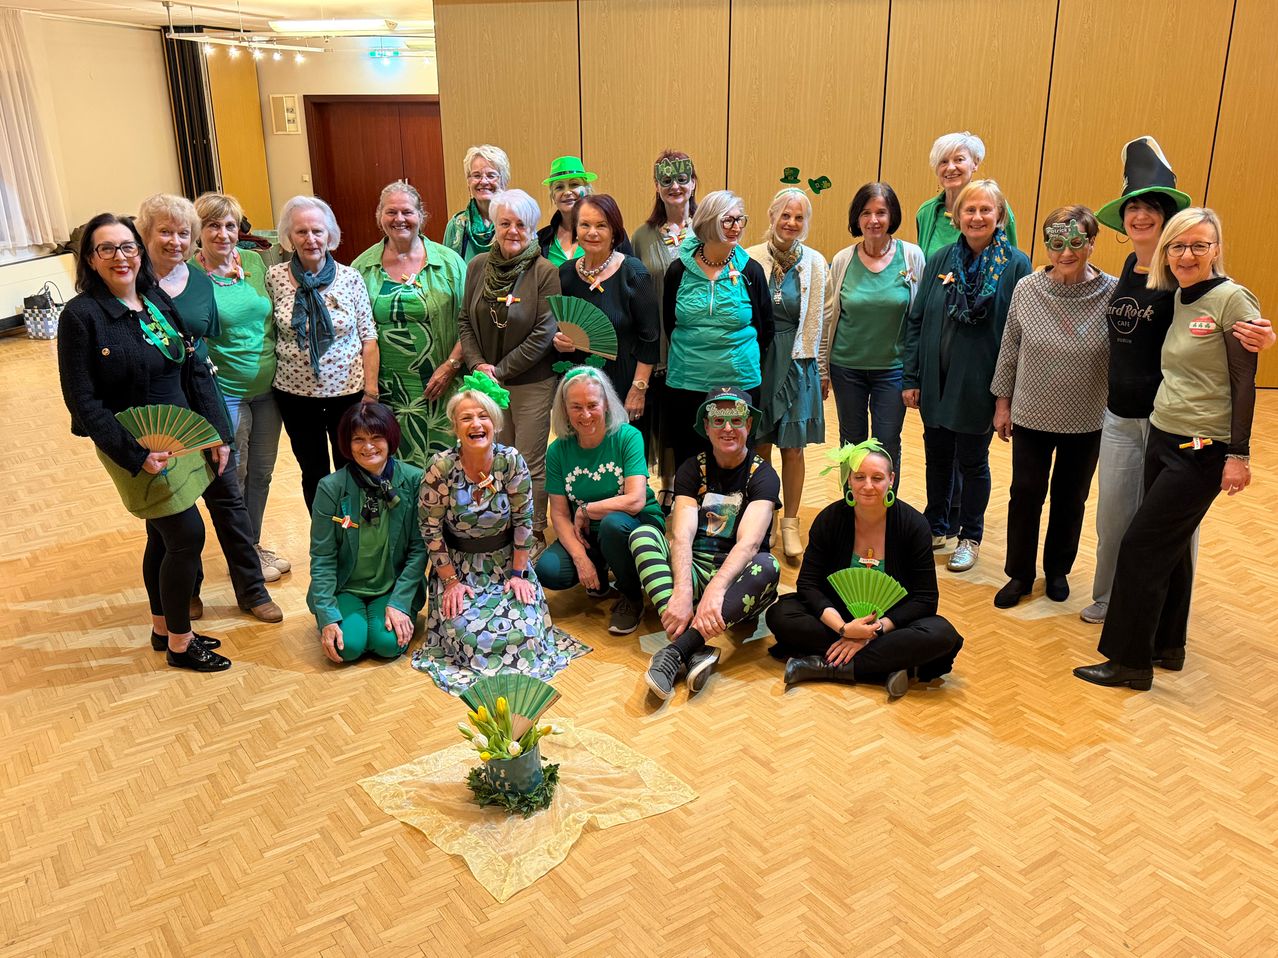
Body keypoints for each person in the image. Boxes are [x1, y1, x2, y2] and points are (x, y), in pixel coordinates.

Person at [1080, 137, 1275, 624]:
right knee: (1113, 519)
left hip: (1171, 422)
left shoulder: (1185, 274)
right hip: (1120, 415)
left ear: (1170, 219)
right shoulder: (1131, 266)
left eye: (1152, 208)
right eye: (1133, 208)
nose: (1141, 216)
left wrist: (1261, 335)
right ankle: (1110, 599)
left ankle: (1167, 619)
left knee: (1170, 527)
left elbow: (1226, 312)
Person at [1075, 208, 1260, 691]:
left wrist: (1238, 454)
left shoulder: (1232, 299)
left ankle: (1129, 662)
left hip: (1201, 446)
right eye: (1178, 246)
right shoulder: (1179, 295)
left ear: (1216, 249)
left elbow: (1245, 382)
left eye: (1199, 245)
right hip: (1163, 432)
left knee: (1141, 545)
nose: (1187, 255)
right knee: (1172, 551)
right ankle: (1167, 646)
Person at [57, 213, 233, 671]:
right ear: (90, 259)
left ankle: (163, 628)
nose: (120, 257)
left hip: (180, 437)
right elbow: (81, 400)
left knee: (161, 534)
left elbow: (193, 368)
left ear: (139, 252)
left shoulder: (154, 299)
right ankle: (181, 643)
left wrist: (218, 432)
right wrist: (135, 455)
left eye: (128, 246)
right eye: (107, 248)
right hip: (133, 445)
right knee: (186, 535)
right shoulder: (81, 316)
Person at [136, 193, 282, 624]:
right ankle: (185, 587)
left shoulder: (208, 280)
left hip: (214, 394)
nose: (176, 241)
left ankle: (250, 585)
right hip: (167, 407)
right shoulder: (138, 284)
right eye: (165, 232)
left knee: (231, 490)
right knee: (178, 498)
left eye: (182, 232)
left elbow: (202, 348)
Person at [412, 373, 584, 693]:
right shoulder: (441, 467)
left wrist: (519, 574)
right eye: (466, 418)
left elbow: (524, 519)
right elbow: (430, 528)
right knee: (471, 638)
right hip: (459, 570)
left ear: (495, 423)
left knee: (526, 634)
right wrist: (450, 582)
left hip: (507, 565)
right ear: (455, 427)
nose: (476, 424)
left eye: (483, 416)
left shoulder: (510, 461)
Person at [901, 179, 1031, 573]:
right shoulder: (941, 258)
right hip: (936, 380)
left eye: (985, 210)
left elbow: (1021, 334)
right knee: (937, 458)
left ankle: (970, 536)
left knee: (973, 463)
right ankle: (936, 525)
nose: (976, 217)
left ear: (999, 216)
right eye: (969, 210)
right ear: (957, 217)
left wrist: (1007, 398)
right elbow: (917, 318)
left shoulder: (1016, 264)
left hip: (981, 383)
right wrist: (911, 376)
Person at [766, 440, 963, 699]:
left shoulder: (914, 525)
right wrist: (844, 629)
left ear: (891, 479)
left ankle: (822, 666)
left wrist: (874, 631)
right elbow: (808, 585)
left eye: (877, 478)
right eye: (859, 477)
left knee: (942, 634)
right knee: (780, 614)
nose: (867, 486)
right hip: (838, 618)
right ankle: (886, 667)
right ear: (849, 480)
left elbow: (926, 599)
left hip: (890, 624)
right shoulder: (829, 519)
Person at [989, 207, 1115, 608]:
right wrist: (1002, 404)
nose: (1066, 252)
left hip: (1087, 415)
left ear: (1092, 243)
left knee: (1071, 498)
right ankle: (1020, 574)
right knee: (1025, 494)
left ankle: (1057, 570)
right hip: (1031, 412)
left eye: (1076, 242)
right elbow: (1010, 348)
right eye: (1057, 243)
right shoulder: (1028, 288)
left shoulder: (1112, 292)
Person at [630, 387, 782, 700]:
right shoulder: (691, 468)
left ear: (748, 425)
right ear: (707, 426)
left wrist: (716, 590)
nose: (728, 428)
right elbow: (682, 535)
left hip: (738, 584)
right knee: (642, 535)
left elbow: (749, 545)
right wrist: (683, 590)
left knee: (768, 565)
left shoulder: (763, 475)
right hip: (695, 572)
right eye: (718, 419)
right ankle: (694, 644)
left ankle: (677, 650)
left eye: (736, 419)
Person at [191, 191, 289, 587]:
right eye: (212, 225)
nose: (223, 233)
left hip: (268, 389)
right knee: (234, 474)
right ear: (198, 231)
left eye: (230, 225)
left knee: (261, 474)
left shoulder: (252, 262)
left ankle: (252, 545)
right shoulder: (189, 275)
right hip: (225, 391)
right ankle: (242, 558)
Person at [456, 188, 560, 542]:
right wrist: (478, 365)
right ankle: (500, 527)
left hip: (532, 382)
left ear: (532, 228)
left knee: (528, 462)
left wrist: (498, 371)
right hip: (485, 382)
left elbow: (545, 332)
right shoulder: (477, 267)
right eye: (504, 223)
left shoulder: (544, 271)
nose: (512, 231)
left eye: (521, 224)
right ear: (494, 226)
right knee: (494, 457)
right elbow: (465, 320)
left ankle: (534, 533)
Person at [267, 195, 379, 512]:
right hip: (295, 395)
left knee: (351, 466)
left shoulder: (350, 278)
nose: (310, 239)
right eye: (301, 232)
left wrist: (371, 391)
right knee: (312, 471)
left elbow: (369, 336)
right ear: (289, 237)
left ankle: (353, 530)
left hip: (348, 393)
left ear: (330, 234)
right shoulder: (274, 278)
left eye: (317, 231)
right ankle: (324, 532)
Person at [534, 367, 665, 635]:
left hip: (635, 525)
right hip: (588, 533)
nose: (585, 415)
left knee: (612, 524)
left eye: (592, 405)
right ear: (565, 410)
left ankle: (632, 597)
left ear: (606, 404)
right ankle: (600, 571)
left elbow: (635, 500)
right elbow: (559, 514)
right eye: (576, 407)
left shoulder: (627, 437)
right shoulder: (557, 450)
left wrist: (587, 509)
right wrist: (581, 558)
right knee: (549, 570)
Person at [351, 180, 467, 466]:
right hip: (385, 392)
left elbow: (471, 322)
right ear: (379, 216)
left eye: (407, 212)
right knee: (394, 463)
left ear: (421, 216)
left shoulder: (450, 263)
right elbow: (353, 332)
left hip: (442, 384)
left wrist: (451, 366)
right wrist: (368, 389)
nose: (399, 219)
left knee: (445, 465)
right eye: (391, 212)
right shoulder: (362, 268)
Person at [822, 182, 925, 489]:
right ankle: (850, 504)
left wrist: (915, 374)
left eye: (881, 212)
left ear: (892, 216)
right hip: (846, 367)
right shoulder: (843, 260)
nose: (874, 220)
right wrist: (822, 369)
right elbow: (829, 317)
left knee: (887, 443)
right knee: (851, 442)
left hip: (893, 370)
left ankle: (885, 507)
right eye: (866, 213)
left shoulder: (912, 256)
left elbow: (919, 319)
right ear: (857, 218)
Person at [307, 403, 426, 664]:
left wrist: (399, 603)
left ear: (390, 439)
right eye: (358, 439)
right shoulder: (330, 487)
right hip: (345, 586)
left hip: (393, 585)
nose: (368, 447)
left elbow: (419, 550)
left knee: (388, 645)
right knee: (346, 647)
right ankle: (351, 619)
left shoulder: (415, 480)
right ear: (347, 444)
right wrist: (327, 616)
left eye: (376, 437)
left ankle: (383, 615)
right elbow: (322, 556)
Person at [663, 191, 774, 469]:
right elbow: (669, 323)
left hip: (739, 382)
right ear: (708, 222)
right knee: (689, 462)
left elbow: (765, 328)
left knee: (735, 461)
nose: (736, 227)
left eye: (740, 220)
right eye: (728, 220)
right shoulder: (678, 271)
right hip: (687, 380)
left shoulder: (751, 270)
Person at [745, 188, 828, 560]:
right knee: (760, 446)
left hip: (798, 360)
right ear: (772, 216)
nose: (791, 223)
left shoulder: (816, 262)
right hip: (760, 360)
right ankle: (765, 514)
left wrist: (821, 369)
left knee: (793, 448)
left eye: (799, 217)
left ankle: (791, 522)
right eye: (785, 215)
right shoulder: (749, 257)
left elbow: (824, 319)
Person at [551, 193, 659, 446]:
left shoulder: (633, 272)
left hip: (624, 384)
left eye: (601, 225)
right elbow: (554, 325)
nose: (592, 232)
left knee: (624, 454)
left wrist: (638, 389)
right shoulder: (565, 274)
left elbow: (650, 337)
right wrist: (558, 340)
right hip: (578, 389)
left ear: (614, 231)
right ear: (575, 229)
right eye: (585, 225)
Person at [631, 149, 698, 486]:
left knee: (691, 419)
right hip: (657, 345)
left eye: (682, 178)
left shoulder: (707, 230)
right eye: (667, 180)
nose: (675, 186)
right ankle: (668, 487)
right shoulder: (642, 237)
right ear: (656, 186)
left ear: (693, 183)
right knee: (663, 418)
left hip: (697, 345)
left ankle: (691, 485)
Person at [915, 131, 1019, 256]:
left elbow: (1012, 260)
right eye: (943, 162)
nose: (950, 167)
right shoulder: (926, 212)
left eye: (959, 160)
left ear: (975, 163)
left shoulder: (996, 206)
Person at [442, 144, 510, 263]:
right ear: (468, 182)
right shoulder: (455, 226)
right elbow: (447, 270)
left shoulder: (517, 222)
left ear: (503, 181)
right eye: (477, 175)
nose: (483, 181)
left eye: (491, 175)